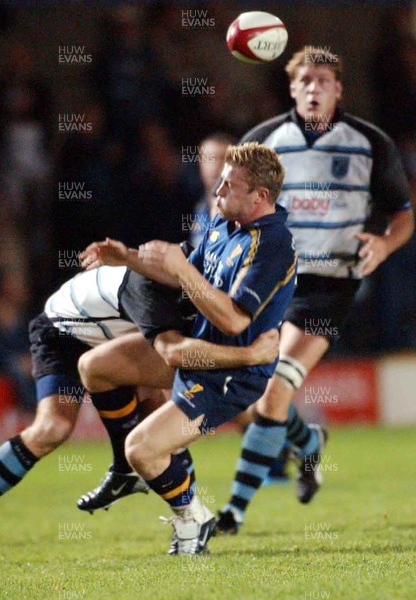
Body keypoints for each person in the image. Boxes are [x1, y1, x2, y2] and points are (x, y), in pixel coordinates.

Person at [0, 252, 279, 549]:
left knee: (156, 413)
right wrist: (248, 358)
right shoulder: (156, 293)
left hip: (107, 338)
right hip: (61, 333)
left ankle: (174, 507)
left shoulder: (183, 283)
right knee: (52, 428)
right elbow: (172, 352)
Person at [216, 46, 414, 535]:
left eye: (323, 80)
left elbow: (403, 215)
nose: (313, 88)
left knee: (275, 390)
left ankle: (234, 512)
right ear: (291, 88)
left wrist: (385, 247)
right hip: (270, 281)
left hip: (329, 287)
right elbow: (230, 208)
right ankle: (309, 444)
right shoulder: (263, 143)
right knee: (259, 392)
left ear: (338, 89)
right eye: (304, 80)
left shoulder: (369, 142)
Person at [80, 142, 297, 555]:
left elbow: (234, 319)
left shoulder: (273, 245)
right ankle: (130, 473)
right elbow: (184, 272)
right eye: (219, 183)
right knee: (94, 367)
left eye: (229, 186)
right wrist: (126, 257)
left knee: (142, 448)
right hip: (198, 348)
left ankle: (191, 519)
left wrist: (181, 269)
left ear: (260, 197)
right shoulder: (223, 224)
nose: (217, 192)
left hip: (230, 376)